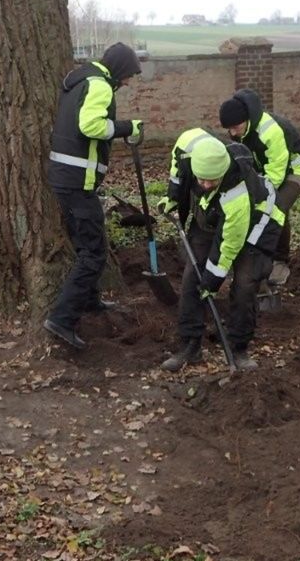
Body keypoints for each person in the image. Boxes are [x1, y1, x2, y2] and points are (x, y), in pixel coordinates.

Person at [43, 42, 144, 350]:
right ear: (119, 69)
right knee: (94, 252)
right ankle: (62, 319)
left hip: (66, 178)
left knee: (86, 245)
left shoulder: (80, 80)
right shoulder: (99, 86)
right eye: (128, 75)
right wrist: (128, 127)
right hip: (78, 183)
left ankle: (90, 301)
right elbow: (90, 126)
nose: (128, 82)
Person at [158, 134, 283, 372]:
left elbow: (229, 244)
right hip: (213, 214)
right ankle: (190, 345)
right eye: (201, 180)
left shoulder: (236, 192)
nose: (205, 185)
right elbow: (177, 172)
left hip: (256, 224)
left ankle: (239, 347)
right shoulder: (187, 150)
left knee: (245, 282)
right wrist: (172, 197)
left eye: (212, 180)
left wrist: (213, 281)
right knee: (193, 277)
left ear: (223, 172)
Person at [217, 89, 300, 288]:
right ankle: (247, 258)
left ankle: (279, 262)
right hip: (265, 169)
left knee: (277, 207)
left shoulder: (270, 131)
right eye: (229, 129)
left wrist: (257, 197)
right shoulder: (241, 130)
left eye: (235, 127)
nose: (232, 133)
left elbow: (276, 174)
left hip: (294, 169)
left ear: (247, 120)